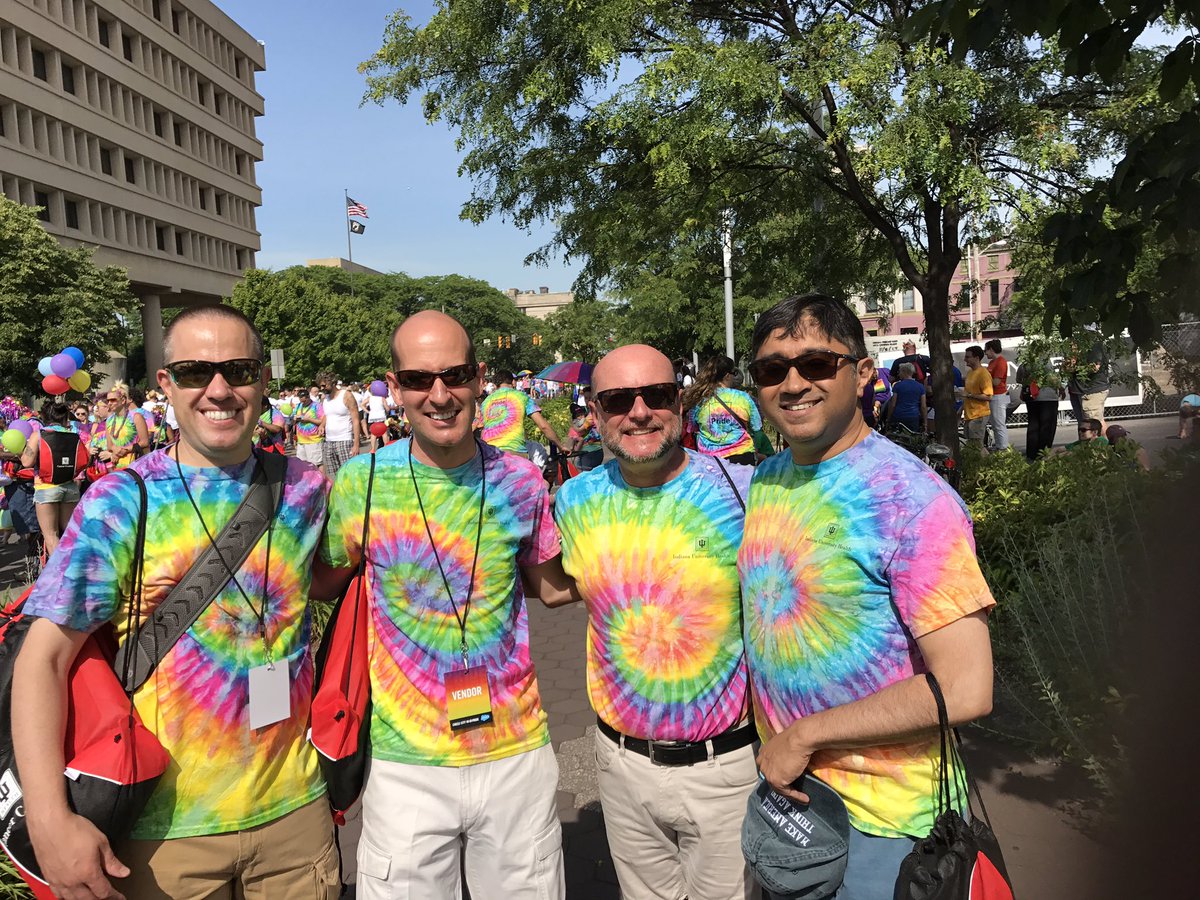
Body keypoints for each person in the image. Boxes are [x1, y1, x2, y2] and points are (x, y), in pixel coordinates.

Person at [12, 305, 339, 898]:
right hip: (163, 832)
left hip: (295, 817)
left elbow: (320, 581)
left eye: (238, 370)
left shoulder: (306, 490)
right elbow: (45, 660)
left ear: (263, 381)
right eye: (194, 371)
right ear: (166, 384)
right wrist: (48, 816)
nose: (219, 389)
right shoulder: (119, 502)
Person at [738, 293, 995, 900]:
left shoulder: (912, 501)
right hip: (792, 807)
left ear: (862, 374)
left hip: (886, 829)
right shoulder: (772, 477)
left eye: (817, 364)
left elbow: (965, 687)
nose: (793, 383)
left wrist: (803, 735)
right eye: (773, 370)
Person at [314, 310, 576, 900]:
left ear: (479, 378)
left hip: (515, 754)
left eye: (454, 375)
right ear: (395, 386)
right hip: (404, 763)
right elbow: (321, 584)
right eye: (417, 379)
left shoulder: (521, 483)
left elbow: (553, 586)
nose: (438, 395)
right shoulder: (363, 482)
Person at [554, 345, 757, 900]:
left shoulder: (744, 490)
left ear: (681, 403)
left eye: (657, 395)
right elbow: (550, 584)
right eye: (619, 399)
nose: (639, 412)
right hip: (621, 767)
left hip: (728, 767)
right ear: (595, 413)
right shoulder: (574, 500)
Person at [20, 400, 84, 556]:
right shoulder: (73, 434)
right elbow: (83, 460)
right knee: (70, 533)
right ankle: (75, 568)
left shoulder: (38, 435)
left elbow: (26, 462)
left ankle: (58, 574)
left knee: (51, 535)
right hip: (70, 486)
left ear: (44, 417)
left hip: (46, 487)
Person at [682, 356, 764, 465]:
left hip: (710, 460)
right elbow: (757, 429)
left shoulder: (699, 401)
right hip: (743, 457)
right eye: (733, 373)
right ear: (727, 376)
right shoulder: (744, 398)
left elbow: (692, 428)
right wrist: (756, 449)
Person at [479, 371, 562, 456]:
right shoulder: (522, 396)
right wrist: (561, 446)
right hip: (515, 451)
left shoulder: (485, 403)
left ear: (495, 385)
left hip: (489, 455)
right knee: (539, 453)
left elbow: (483, 431)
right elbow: (543, 426)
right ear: (513, 382)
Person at [1016, 360, 1064, 461]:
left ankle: (1031, 455)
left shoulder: (1026, 362)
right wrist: (1061, 388)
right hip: (1048, 397)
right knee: (1047, 428)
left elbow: (1019, 379)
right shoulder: (1046, 362)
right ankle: (1044, 454)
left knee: (1033, 426)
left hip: (1032, 398)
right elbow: (1053, 379)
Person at [320, 375, 362, 478]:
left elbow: (356, 420)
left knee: (349, 474)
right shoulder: (326, 399)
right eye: (320, 386)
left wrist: (356, 444)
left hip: (345, 440)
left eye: (324, 385)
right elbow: (328, 414)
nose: (322, 388)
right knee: (334, 476)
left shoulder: (346, 395)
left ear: (333, 383)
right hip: (329, 442)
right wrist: (322, 424)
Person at [1068, 337, 1110, 433]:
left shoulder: (1094, 344)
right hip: (1078, 390)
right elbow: (1067, 367)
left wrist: (1075, 367)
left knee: (1093, 424)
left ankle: (1103, 446)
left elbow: (1095, 367)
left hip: (1092, 390)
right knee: (1084, 425)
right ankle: (1089, 447)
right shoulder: (1072, 346)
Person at [104, 381, 150, 469]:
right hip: (117, 466)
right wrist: (115, 451)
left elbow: (145, 442)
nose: (109, 403)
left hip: (136, 465)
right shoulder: (109, 421)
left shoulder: (136, 417)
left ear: (123, 400)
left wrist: (125, 450)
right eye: (108, 400)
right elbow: (110, 446)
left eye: (113, 400)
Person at [962, 345, 993, 452]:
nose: (965, 359)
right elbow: (966, 393)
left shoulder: (983, 374)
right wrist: (960, 410)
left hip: (979, 414)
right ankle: (983, 464)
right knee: (972, 444)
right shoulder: (970, 373)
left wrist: (970, 395)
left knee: (976, 444)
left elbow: (989, 396)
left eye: (968, 357)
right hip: (969, 414)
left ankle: (985, 464)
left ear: (977, 358)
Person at [983, 339, 1010, 451]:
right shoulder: (992, 363)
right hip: (993, 395)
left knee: (999, 423)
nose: (985, 353)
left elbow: (996, 382)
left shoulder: (1001, 362)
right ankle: (999, 445)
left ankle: (1003, 447)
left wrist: (983, 379)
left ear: (991, 349)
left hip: (999, 395)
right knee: (995, 424)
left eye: (986, 350)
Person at [293, 384, 326, 473]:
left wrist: (308, 419)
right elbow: (293, 419)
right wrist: (295, 419)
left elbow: (322, 421)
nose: (303, 403)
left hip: (314, 440)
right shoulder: (299, 406)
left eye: (304, 401)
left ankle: (322, 482)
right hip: (301, 440)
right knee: (302, 465)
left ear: (308, 397)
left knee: (316, 464)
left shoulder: (316, 406)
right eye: (301, 401)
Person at [885, 362, 926, 433]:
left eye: (900, 371)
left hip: (899, 416)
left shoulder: (897, 386)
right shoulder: (920, 386)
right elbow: (923, 406)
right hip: (913, 417)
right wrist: (925, 423)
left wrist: (888, 419)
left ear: (904, 372)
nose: (898, 374)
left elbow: (893, 404)